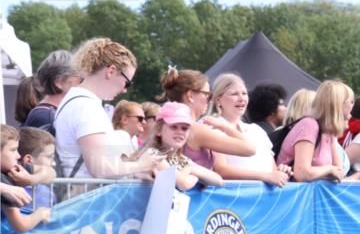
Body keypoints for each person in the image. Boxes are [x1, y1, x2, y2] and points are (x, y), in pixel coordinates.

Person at [53, 38, 162, 180]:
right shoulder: (86, 107)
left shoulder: (77, 101)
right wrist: (142, 165)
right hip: (87, 197)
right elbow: (99, 168)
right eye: (127, 83)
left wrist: (137, 172)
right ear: (111, 71)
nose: (124, 90)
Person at [158, 67, 256, 171]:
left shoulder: (164, 124)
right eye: (208, 95)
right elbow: (250, 149)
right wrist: (224, 127)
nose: (210, 101)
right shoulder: (195, 130)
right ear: (190, 95)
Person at [210, 74, 290, 187]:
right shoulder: (211, 126)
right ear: (218, 99)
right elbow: (221, 170)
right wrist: (265, 176)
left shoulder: (257, 130)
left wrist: (281, 172)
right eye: (234, 94)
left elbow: (272, 170)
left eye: (244, 93)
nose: (241, 98)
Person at [134, 103, 224, 191]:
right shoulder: (153, 155)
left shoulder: (179, 159)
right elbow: (183, 184)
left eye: (184, 128)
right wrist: (197, 176)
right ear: (159, 130)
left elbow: (218, 180)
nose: (180, 132)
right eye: (173, 127)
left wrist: (190, 170)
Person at [277, 80, 351, 182]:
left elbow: (339, 171)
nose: (353, 106)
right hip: (292, 194)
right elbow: (302, 173)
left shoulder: (328, 130)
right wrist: (329, 169)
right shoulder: (309, 125)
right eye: (350, 102)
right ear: (338, 104)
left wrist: (329, 171)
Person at [2, 125, 53, 232]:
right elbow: (21, 225)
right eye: (13, 150)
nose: (18, 155)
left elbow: (50, 172)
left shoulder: (12, 169)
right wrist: (41, 213)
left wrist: (31, 179)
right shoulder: (3, 178)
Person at [23, 50, 81, 129]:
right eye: (79, 78)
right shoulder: (46, 117)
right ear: (59, 82)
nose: (82, 83)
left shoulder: (48, 113)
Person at [16, 127, 57, 209]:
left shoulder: (48, 192)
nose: (54, 163)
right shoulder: (7, 182)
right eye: (49, 157)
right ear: (28, 160)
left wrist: (31, 180)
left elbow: (51, 173)